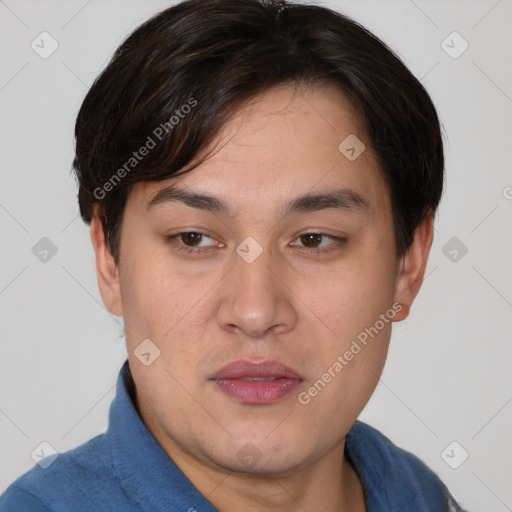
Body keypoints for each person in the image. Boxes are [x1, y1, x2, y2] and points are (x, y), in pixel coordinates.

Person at [0, 0, 466, 510]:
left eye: (313, 239)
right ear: (109, 261)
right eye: (193, 239)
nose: (255, 312)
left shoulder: (423, 496)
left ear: (408, 264)